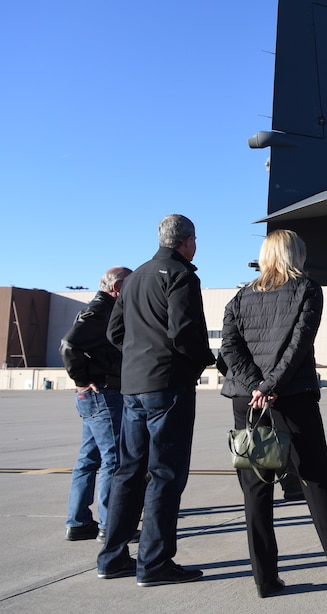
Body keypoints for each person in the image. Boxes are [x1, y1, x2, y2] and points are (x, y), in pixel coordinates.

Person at [220, 229, 327, 596]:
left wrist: (254, 387)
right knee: (315, 478)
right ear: (295, 255)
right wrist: (270, 386)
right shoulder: (308, 289)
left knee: (256, 489)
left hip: (246, 403)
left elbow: (228, 348)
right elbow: (298, 346)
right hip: (291, 398)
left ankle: (265, 578)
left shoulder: (241, 296)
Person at [97, 214, 215, 585]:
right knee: (165, 473)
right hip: (169, 386)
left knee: (128, 471)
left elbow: (115, 331)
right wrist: (204, 361)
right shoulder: (182, 276)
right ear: (187, 241)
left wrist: (138, 357)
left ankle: (112, 557)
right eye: (195, 240)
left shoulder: (133, 280)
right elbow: (184, 332)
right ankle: (154, 562)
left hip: (133, 386)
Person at [60, 266, 132, 542]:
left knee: (88, 459)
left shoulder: (103, 309)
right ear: (116, 288)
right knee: (114, 459)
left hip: (96, 394)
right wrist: (80, 379)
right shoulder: (101, 311)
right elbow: (69, 345)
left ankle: (78, 522)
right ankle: (110, 526)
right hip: (102, 392)